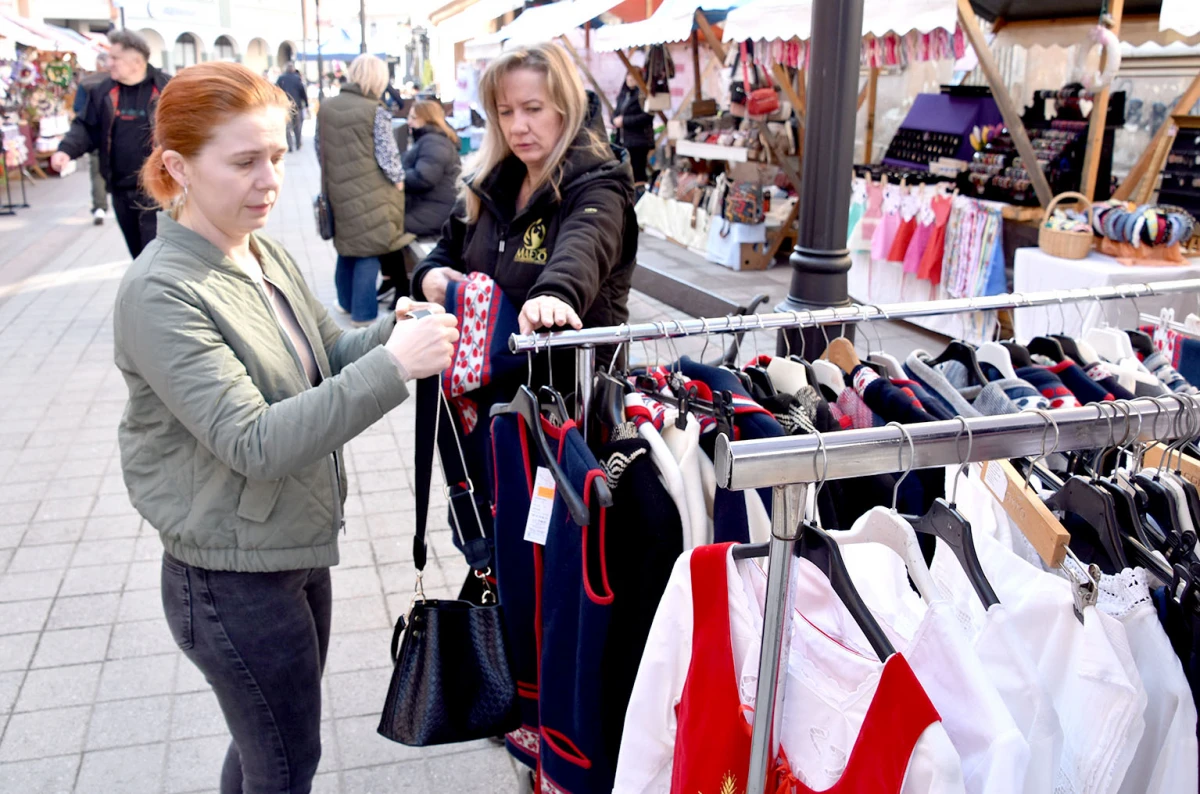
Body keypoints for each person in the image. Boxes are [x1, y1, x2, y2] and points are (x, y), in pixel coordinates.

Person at [113, 61, 458, 794]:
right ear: (176, 166)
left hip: (290, 543)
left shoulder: (258, 250)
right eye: (244, 161)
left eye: (275, 155)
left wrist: (391, 333)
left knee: (270, 747)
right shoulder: (161, 291)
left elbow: (327, 355)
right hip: (230, 576)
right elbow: (255, 442)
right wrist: (396, 366)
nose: (271, 179)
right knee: (284, 759)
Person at [412, 41, 638, 343]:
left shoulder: (599, 185)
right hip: (484, 376)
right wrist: (428, 276)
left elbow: (584, 245)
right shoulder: (489, 182)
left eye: (533, 109)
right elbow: (446, 251)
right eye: (505, 112)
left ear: (566, 109)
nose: (517, 126)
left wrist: (554, 295)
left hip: (567, 379)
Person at [53, 29, 170, 257]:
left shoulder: (166, 88)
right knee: (138, 254)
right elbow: (86, 127)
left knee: (154, 252)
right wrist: (66, 151)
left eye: (115, 58)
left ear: (136, 61)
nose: (109, 63)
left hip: (158, 188)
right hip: (120, 189)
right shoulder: (103, 92)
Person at [316, 53, 408, 326]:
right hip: (373, 193)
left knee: (347, 247)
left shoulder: (327, 107)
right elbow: (387, 155)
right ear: (378, 79)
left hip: (338, 190)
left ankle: (345, 303)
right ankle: (364, 315)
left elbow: (320, 151)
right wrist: (399, 179)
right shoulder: (375, 111)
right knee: (369, 249)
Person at [402, 99, 461, 237]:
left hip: (433, 212)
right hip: (429, 208)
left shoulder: (434, 142)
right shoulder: (431, 140)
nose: (409, 122)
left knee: (381, 228)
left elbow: (424, 178)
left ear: (427, 119)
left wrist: (397, 176)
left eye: (413, 118)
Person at [74, 52, 110, 225]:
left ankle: (100, 207)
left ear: (97, 64)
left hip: (96, 135)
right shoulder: (119, 82)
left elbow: (78, 109)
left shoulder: (86, 82)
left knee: (97, 173)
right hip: (120, 136)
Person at [612, 72, 653, 184]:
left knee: (637, 175)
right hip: (622, 141)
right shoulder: (623, 95)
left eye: (634, 77)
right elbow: (616, 112)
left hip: (637, 142)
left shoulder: (643, 95)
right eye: (629, 76)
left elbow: (648, 116)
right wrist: (614, 119)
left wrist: (624, 121)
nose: (630, 78)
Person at [276, 62, 308, 151]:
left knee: (287, 127)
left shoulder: (281, 78)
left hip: (285, 105)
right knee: (297, 126)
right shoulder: (297, 79)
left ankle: (290, 146)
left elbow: (275, 90)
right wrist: (306, 103)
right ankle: (298, 143)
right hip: (296, 105)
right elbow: (303, 92)